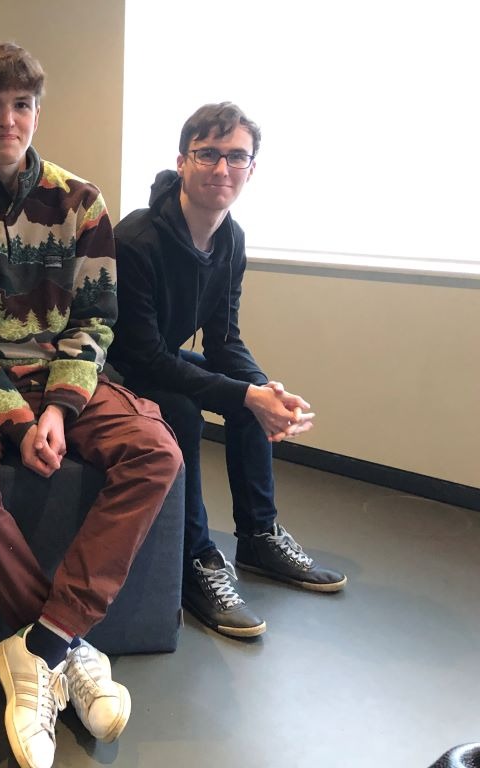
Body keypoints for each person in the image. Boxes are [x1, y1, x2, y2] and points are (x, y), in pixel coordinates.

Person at [0, 42, 182, 768]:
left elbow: (97, 321)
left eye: (21, 104)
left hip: (64, 378)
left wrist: (56, 410)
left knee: (157, 449)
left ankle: (43, 643)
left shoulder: (81, 201)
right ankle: (65, 648)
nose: (7, 119)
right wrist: (18, 420)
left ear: (36, 112)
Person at [110, 102, 347, 639]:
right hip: (111, 368)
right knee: (182, 412)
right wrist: (245, 394)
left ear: (251, 168)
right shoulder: (137, 240)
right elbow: (141, 356)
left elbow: (224, 341)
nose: (222, 169)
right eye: (208, 154)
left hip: (157, 360)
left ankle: (259, 537)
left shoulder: (231, 238)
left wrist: (264, 391)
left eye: (236, 157)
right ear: (182, 161)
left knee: (250, 401)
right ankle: (196, 560)